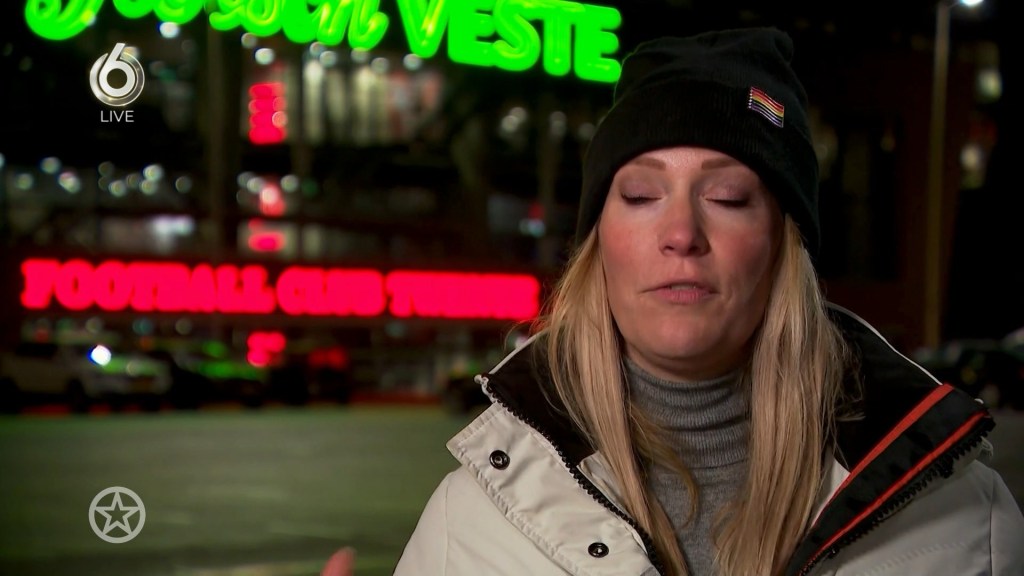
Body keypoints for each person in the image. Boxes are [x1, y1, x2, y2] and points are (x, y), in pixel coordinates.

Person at [323, 27, 1024, 576]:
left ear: (784, 246)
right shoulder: (469, 524)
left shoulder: (965, 519)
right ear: (599, 244)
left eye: (728, 197)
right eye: (640, 195)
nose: (682, 233)